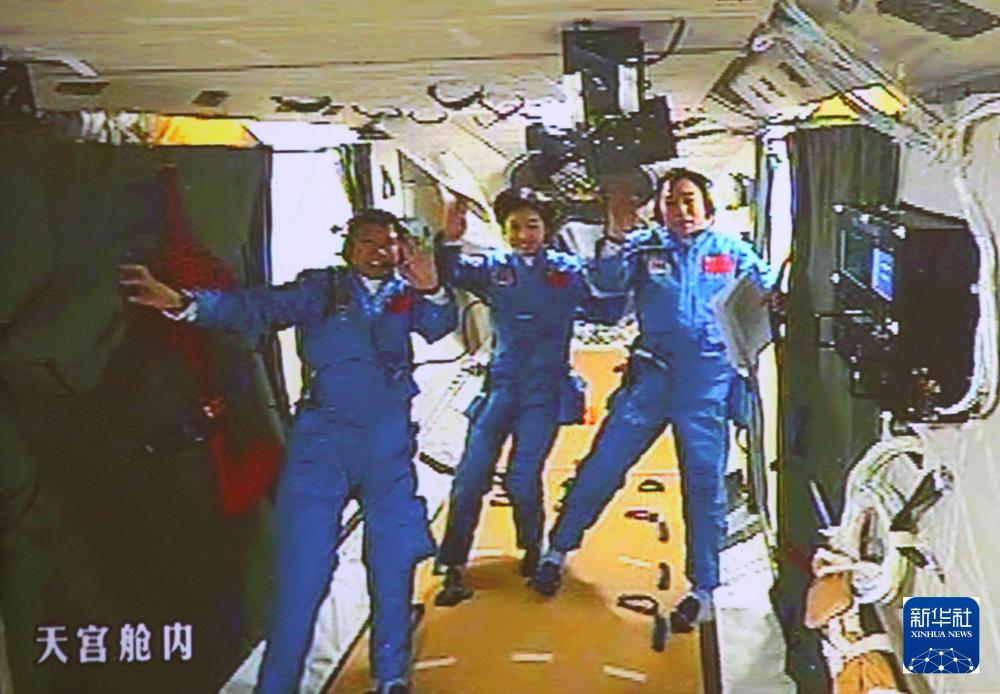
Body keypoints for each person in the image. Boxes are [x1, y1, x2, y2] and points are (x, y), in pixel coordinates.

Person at [119, 209, 457, 694]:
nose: (380, 251)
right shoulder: (322, 290)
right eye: (368, 241)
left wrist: (433, 288)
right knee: (304, 571)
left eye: (389, 242)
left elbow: (439, 325)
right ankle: (277, 685)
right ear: (349, 248)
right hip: (324, 445)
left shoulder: (407, 294)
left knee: (394, 559)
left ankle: (391, 675)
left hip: (388, 447)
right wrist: (183, 303)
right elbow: (254, 308)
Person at [532, 168, 780, 632]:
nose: (681, 210)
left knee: (704, 488)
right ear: (660, 210)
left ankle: (703, 590)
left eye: (688, 200)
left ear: (706, 206)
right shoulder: (645, 249)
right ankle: (557, 550)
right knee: (601, 467)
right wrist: (615, 235)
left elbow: (770, 295)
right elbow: (605, 286)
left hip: (706, 386)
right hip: (652, 380)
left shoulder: (732, 253)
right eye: (671, 202)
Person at [433, 189, 625, 606]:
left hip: (545, 391)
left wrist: (617, 255)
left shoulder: (566, 271)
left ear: (547, 229)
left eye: (532, 226)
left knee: (522, 478)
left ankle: (533, 548)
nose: (523, 235)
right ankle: (452, 561)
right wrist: (449, 236)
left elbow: (607, 309)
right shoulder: (493, 268)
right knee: (469, 478)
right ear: (504, 231)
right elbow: (448, 272)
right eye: (515, 227)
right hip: (501, 388)